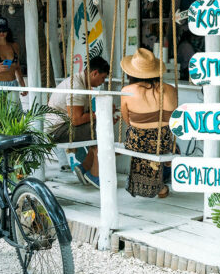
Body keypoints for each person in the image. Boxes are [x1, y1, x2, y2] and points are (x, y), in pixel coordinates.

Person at [120, 48, 178, 199]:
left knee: (140, 140)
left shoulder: (128, 91)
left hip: (138, 142)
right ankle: (161, 185)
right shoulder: (171, 89)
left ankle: (155, 187)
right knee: (163, 145)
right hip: (163, 141)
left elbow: (127, 120)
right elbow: (174, 118)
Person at [70, 56, 111, 187]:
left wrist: (102, 116)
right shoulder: (77, 86)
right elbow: (76, 119)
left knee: (101, 127)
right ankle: (94, 175)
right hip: (60, 129)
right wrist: (100, 114)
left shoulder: (82, 83)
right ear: (94, 73)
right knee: (102, 132)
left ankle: (84, 168)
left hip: (64, 125)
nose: (103, 81)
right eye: (103, 77)